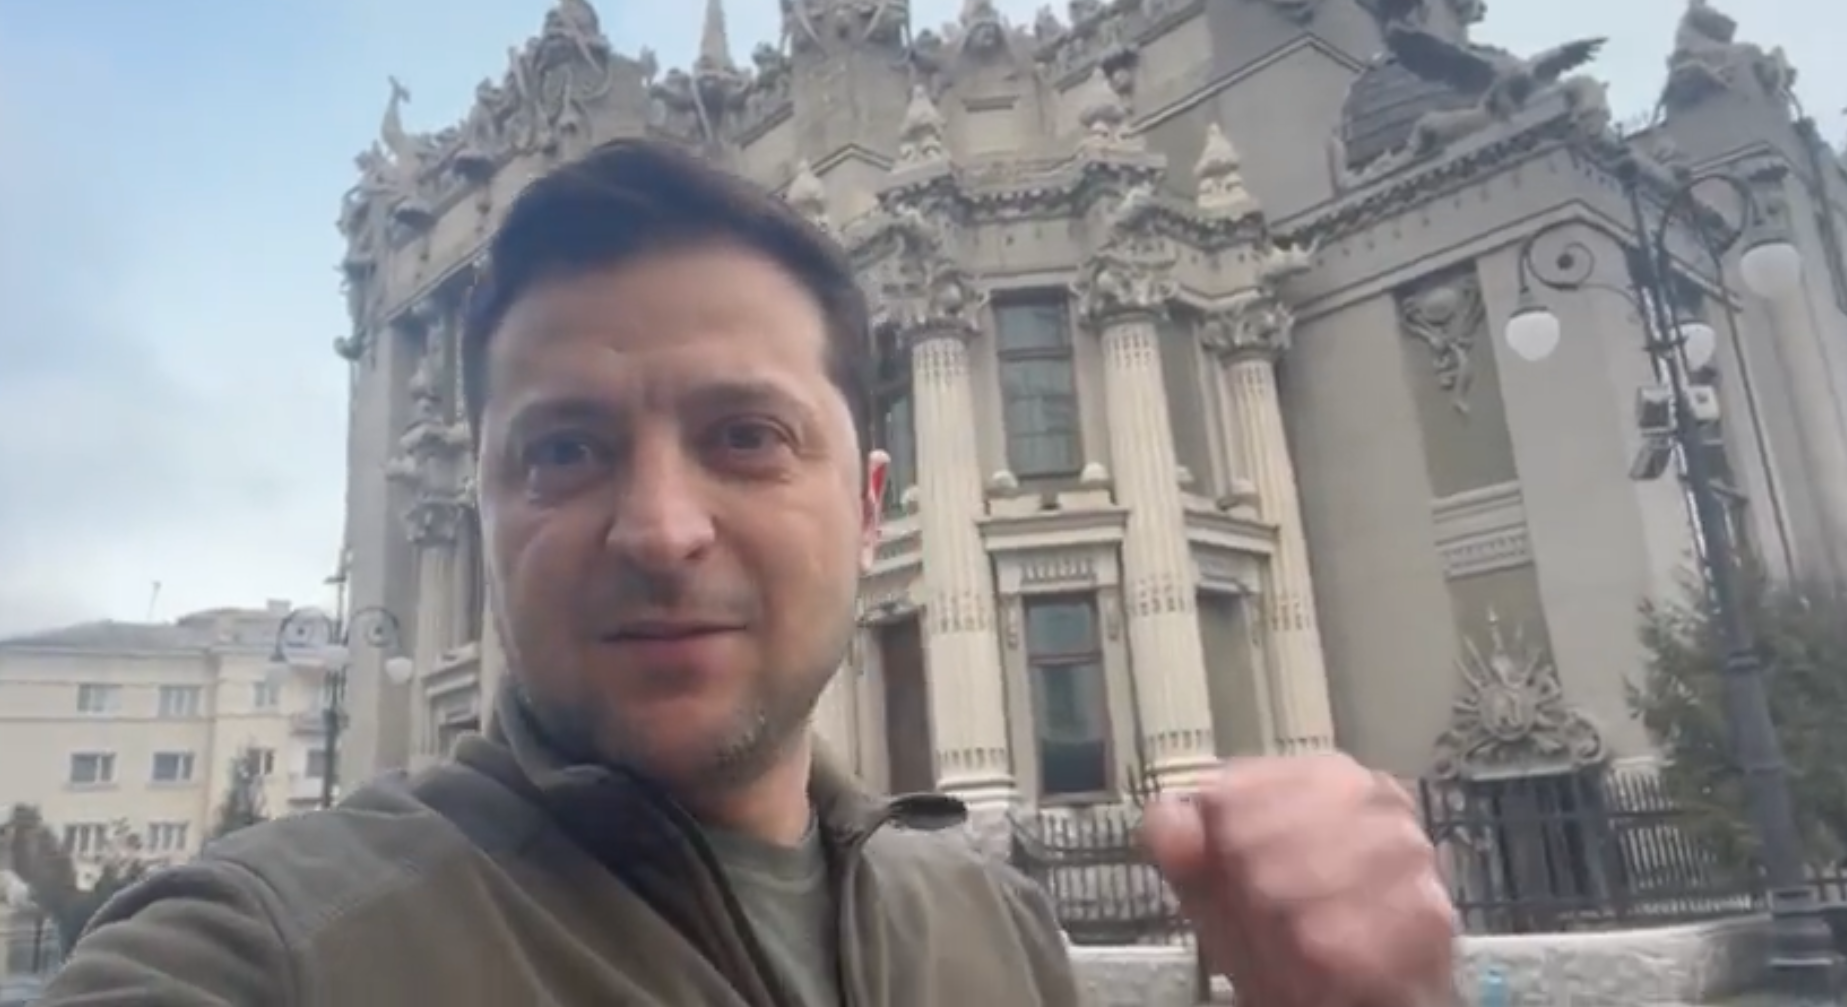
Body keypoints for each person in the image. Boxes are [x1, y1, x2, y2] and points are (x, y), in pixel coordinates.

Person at [40, 139, 1455, 1007]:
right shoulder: (275, 953)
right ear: (478, 518)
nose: (659, 526)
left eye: (744, 435)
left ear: (869, 510)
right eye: (564, 452)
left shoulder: (988, 930)